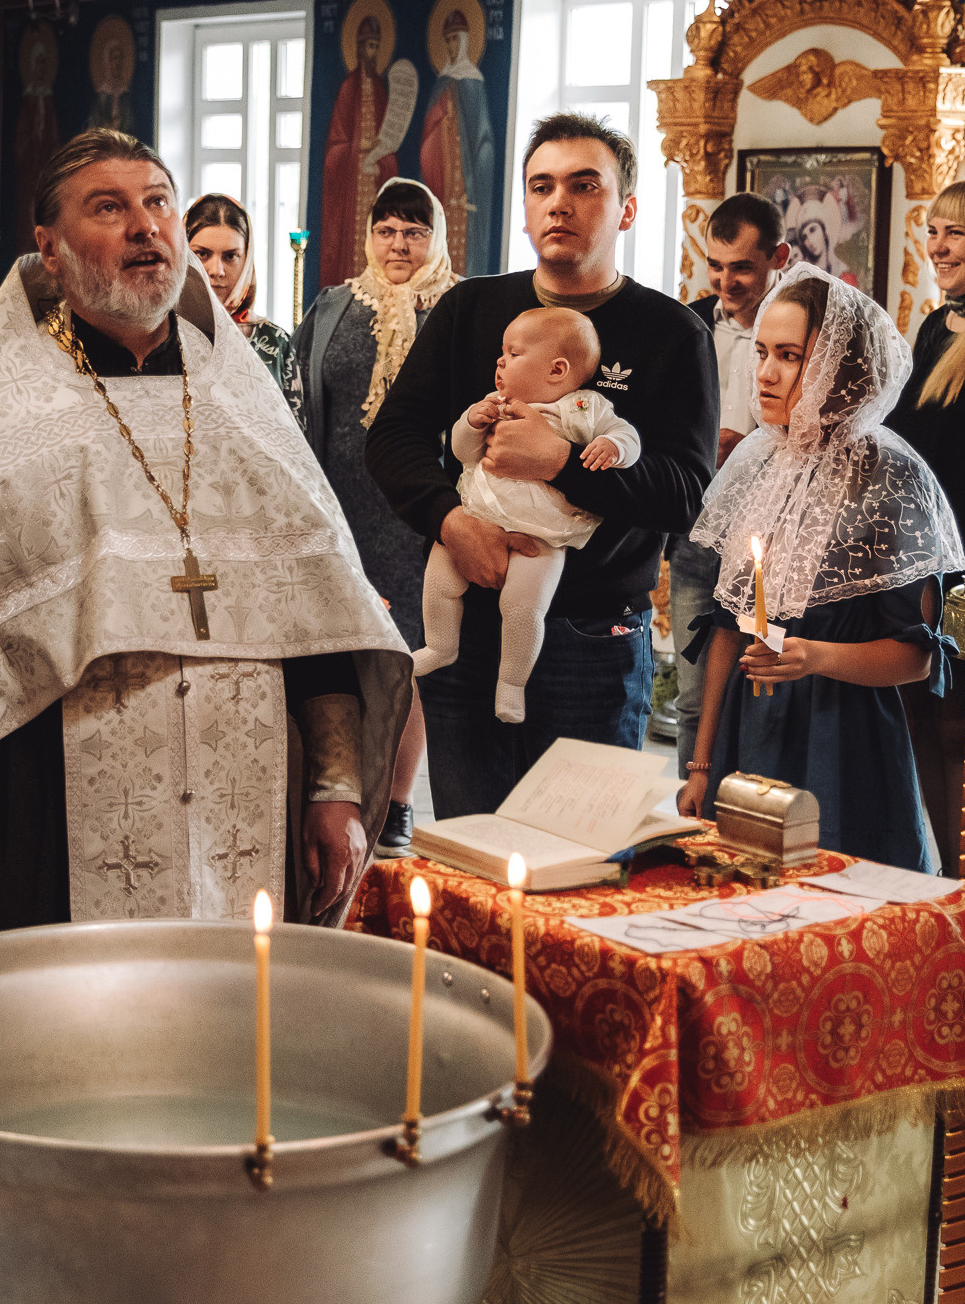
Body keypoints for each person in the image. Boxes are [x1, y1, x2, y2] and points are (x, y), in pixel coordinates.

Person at [0, 129, 412, 1304]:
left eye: (156, 204)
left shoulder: (241, 399)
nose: (146, 230)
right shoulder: (2, 414)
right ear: (49, 247)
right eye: (108, 210)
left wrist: (334, 784)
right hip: (45, 826)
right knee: (48, 1104)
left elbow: (320, 619)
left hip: (244, 818)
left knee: (226, 1092)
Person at [364, 116, 717, 818]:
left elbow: (687, 496)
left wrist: (561, 462)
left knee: (581, 862)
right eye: (542, 185)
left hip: (593, 639)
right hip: (470, 626)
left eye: (586, 186)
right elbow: (393, 437)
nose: (561, 202)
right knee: (474, 851)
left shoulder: (671, 333)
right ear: (524, 206)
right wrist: (450, 518)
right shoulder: (471, 309)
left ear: (627, 208)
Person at [677, 265, 965, 868]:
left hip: (845, 744)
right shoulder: (759, 459)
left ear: (839, 364)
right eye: (761, 352)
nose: (766, 373)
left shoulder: (892, 476)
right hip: (747, 728)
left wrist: (814, 657)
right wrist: (701, 766)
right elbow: (728, 626)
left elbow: (915, 657)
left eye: (789, 355)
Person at [293, 177, 453, 853]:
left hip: (416, 514)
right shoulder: (333, 304)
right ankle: (338, 786)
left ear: (436, 237)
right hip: (341, 501)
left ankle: (398, 799)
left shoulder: (455, 307)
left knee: (408, 655)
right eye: (386, 228)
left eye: (415, 230)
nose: (399, 243)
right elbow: (300, 395)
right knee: (343, 651)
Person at [414, 310, 640, 723]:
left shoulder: (583, 406)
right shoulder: (495, 405)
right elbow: (463, 454)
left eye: (513, 353)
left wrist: (613, 445)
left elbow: (627, 433)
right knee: (439, 578)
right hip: (478, 515)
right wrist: (469, 423)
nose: (499, 362)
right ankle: (440, 645)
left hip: (544, 534)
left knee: (523, 607)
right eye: (501, 354)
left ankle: (512, 683)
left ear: (557, 370)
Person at [885, 174, 965, 874]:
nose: (938, 246)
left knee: (959, 724)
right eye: (933, 230)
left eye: (955, 231)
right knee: (917, 714)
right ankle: (940, 868)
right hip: (919, 558)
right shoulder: (933, 324)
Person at [668, 195, 787, 775]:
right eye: (715, 265)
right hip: (696, 532)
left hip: (774, 536)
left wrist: (754, 446)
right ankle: (696, 816)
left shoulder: (800, 326)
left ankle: (752, 814)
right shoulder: (685, 324)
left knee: (765, 690)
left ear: (778, 258)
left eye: (741, 267)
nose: (725, 280)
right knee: (694, 697)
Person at [185, 191, 300, 414]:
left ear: (246, 260)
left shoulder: (276, 344)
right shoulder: (160, 337)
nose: (216, 271)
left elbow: (298, 436)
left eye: (230, 256)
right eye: (202, 254)